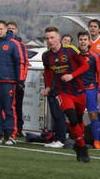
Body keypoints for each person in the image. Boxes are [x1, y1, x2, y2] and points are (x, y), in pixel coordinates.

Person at [41, 26, 90, 162]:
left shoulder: (70, 50)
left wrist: (72, 75)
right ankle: (82, 147)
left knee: (79, 120)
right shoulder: (46, 56)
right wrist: (48, 87)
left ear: (59, 37)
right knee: (72, 117)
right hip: (63, 92)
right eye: (47, 38)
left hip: (78, 90)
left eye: (52, 37)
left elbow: (85, 65)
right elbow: (48, 71)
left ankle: (78, 144)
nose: (50, 41)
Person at [77, 31, 100, 149]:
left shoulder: (95, 55)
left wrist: (99, 91)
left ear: (88, 41)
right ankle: (79, 139)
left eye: (85, 39)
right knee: (76, 115)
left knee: (93, 114)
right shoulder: (74, 54)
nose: (83, 42)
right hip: (77, 90)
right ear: (78, 41)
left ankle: (97, 140)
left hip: (91, 89)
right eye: (81, 39)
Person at [7, 21, 29, 137]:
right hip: (6, 80)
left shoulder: (21, 45)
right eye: (9, 28)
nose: (11, 30)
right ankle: (8, 128)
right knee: (7, 106)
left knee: (18, 106)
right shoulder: (4, 43)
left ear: (16, 30)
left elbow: (24, 62)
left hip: (18, 81)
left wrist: (21, 80)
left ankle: (19, 128)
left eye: (13, 28)